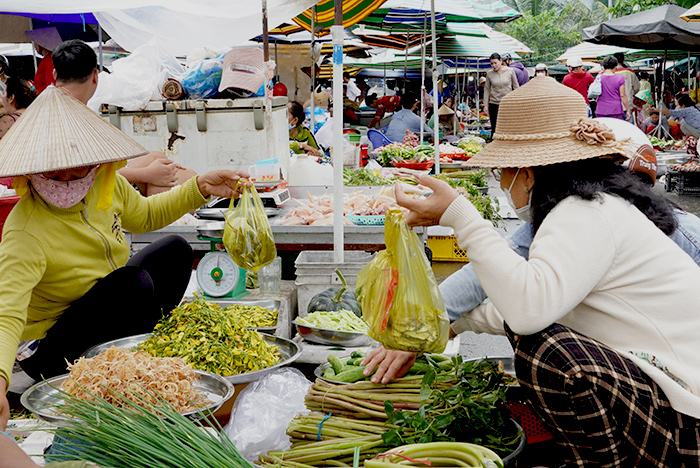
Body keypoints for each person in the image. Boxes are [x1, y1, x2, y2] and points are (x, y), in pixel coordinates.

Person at [363, 78, 700, 465]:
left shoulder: (586, 213)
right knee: (534, 331)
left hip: (686, 421)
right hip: (674, 404)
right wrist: (445, 328)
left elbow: (528, 311)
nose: (502, 183)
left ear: (527, 173)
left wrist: (461, 216)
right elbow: (529, 298)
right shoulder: (587, 209)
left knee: (545, 348)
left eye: (503, 172)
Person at [0, 85, 251, 432]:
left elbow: (146, 217)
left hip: (102, 304)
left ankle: (134, 351)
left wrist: (201, 188)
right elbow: (7, 310)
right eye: (54, 174)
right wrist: (0, 379)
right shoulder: (25, 229)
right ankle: (117, 364)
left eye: (78, 169)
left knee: (175, 250)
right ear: (31, 172)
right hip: (51, 345)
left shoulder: (105, 184)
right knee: (131, 284)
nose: (68, 181)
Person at [52, 40, 197, 197]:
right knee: (181, 177)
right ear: (95, 76)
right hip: (78, 194)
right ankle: (159, 218)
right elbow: (85, 178)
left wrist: (151, 171)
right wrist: (147, 174)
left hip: (70, 188)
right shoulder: (74, 118)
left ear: (54, 75)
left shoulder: (55, 109)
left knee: (158, 160)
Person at [483, 52, 519, 135]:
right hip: (494, 103)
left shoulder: (510, 71)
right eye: (491, 63)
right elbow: (487, 89)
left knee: (508, 126)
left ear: (500, 61)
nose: (494, 65)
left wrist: (517, 100)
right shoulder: (489, 74)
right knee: (495, 128)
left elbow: (516, 86)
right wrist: (485, 105)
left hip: (507, 103)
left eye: (495, 63)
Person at [25, 27, 63, 94]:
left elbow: (51, 85)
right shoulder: (52, 58)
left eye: (35, 44)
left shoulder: (49, 60)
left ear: (41, 45)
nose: (34, 47)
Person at [595, 56, 630, 121]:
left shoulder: (598, 77)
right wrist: (628, 109)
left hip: (601, 109)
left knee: (602, 130)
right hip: (616, 109)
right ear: (615, 66)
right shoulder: (620, 79)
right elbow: (623, 95)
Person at [614, 52, 640, 118]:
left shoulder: (609, 73)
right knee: (628, 126)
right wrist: (631, 93)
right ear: (623, 61)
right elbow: (637, 87)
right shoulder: (629, 72)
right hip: (627, 104)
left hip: (613, 106)